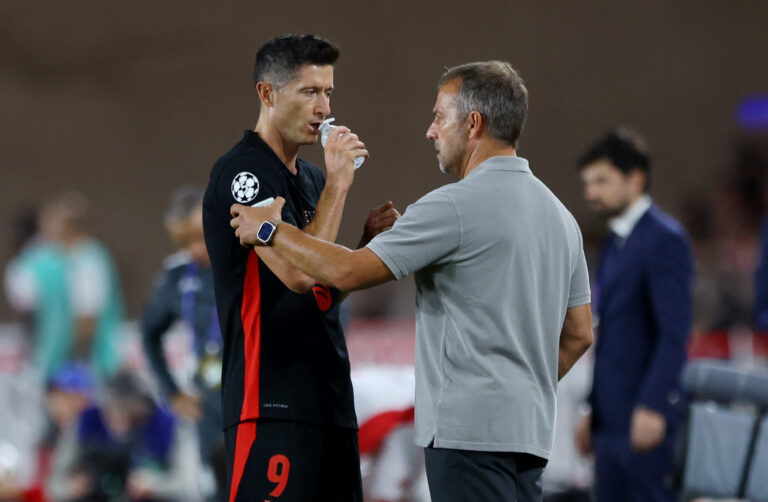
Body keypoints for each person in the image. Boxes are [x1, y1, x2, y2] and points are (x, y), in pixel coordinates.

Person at [230, 60, 594, 502]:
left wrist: (271, 230)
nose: (430, 131)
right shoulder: (561, 218)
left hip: (467, 435)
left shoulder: (453, 207)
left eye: (440, 117)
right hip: (531, 437)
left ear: (473, 123)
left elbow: (347, 271)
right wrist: (518, 392)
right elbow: (579, 334)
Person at [203, 34, 396, 502]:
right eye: (309, 91)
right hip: (270, 404)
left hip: (329, 405)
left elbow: (321, 289)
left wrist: (363, 246)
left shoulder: (309, 178)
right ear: (267, 93)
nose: (324, 108)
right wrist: (339, 185)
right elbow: (299, 275)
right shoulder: (244, 174)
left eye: (328, 92)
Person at [574, 129, 694, 502]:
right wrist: (592, 408)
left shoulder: (665, 239)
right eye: (587, 183)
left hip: (643, 419)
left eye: (601, 181)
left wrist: (654, 404)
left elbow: (674, 332)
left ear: (635, 179)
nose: (591, 192)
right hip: (610, 421)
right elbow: (611, 334)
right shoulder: (615, 241)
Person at [141, 186, 225, 499]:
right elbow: (149, 334)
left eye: (200, 237)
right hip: (210, 407)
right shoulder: (177, 276)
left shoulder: (255, 260)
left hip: (260, 401)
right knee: (217, 490)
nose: (194, 249)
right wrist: (172, 392)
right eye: (184, 242)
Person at [5, 192, 124, 380]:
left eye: (51, 224)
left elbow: (88, 317)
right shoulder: (61, 258)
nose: (45, 232)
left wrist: (73, 359)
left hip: (91, 362)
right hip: (58, 358)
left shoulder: (89, 259)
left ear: (68, 226)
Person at [47, 370, 204, 502]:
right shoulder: (85, 422)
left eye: (131, 417)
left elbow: (188, 487)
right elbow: (53, 486)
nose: (120, 426)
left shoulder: (170, 425)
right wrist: (72, 487)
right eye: (112, 414)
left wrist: (154, 485)